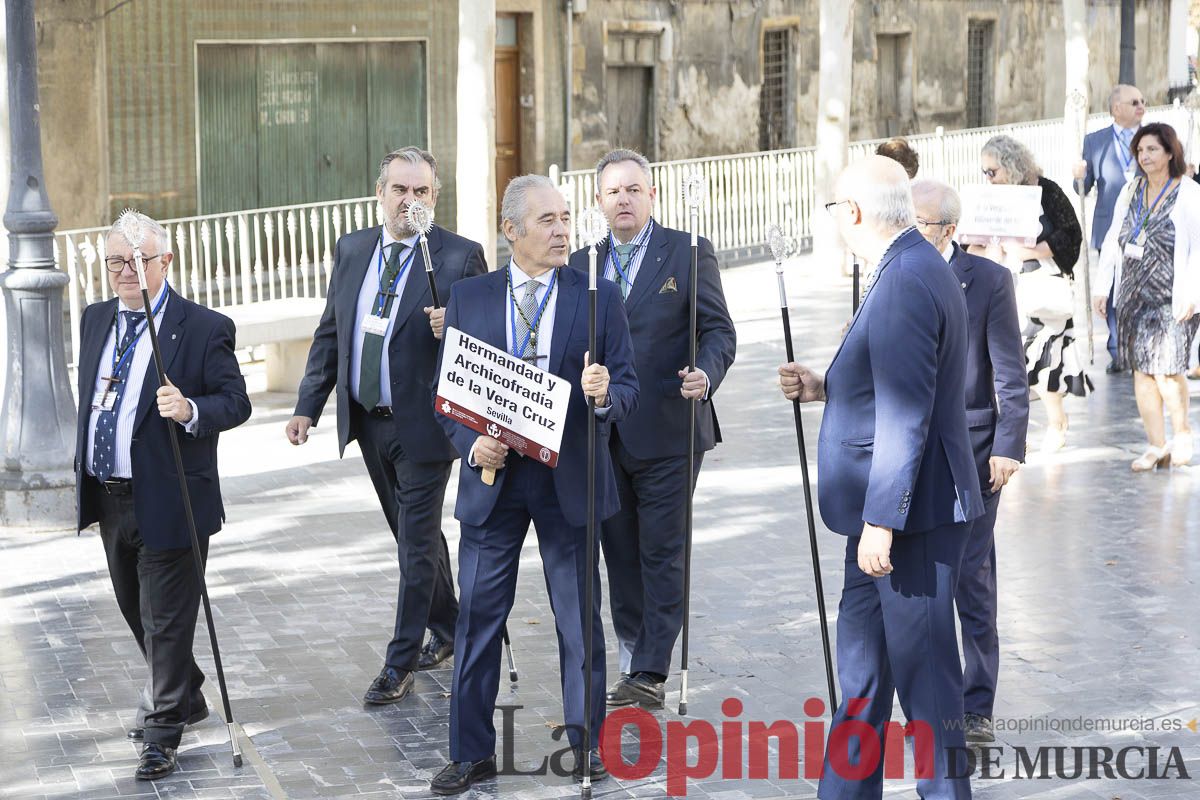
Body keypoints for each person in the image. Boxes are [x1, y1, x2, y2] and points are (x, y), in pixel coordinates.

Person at [778, 157, 983, 800]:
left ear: (856, 213)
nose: (837, 221)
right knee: (863, 680)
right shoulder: (909, 266)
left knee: (927, 691)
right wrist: (825, 385)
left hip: (906, 521)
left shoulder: (903, 279)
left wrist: (879, 523)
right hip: (887, 516)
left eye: (838, 209)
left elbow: (906, 414)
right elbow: (889, 383)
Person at [429, 175, 639, 795]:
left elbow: (627, 387)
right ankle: (470, 753)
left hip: (566, 478)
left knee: (579, 620)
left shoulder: (596, 296)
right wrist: (471, 444)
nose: (562, 231)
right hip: (495, 478)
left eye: (566, 219)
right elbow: (446, 398)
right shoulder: (470, 298)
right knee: (478, 621)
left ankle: (587, 743)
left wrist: (604, 398)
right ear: (511, 231)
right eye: (547, 220)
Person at [287, 148, 487, 704]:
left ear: (434, 198)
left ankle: (400, 661)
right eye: (400, 190)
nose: (409, 201)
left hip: (426, 425)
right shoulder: (352, 250)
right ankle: (449, 625)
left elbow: (490, 340)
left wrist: (459, 325)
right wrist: (308, 405)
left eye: (421, 192)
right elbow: (333, 331)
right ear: (380, 194)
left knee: (415, 542)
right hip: (369, 423)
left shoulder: (458, 257)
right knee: (411, 538)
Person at [74, 212, 251, 779]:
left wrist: (193, 409)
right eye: (116, 262)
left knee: (166, 620)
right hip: (111, 497)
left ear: (165, 262)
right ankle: (188, 692)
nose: (126, 272)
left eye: (138, 261)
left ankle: (164, 729)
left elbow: (236, 400)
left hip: (173, 496)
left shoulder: (202, 326)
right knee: (136, 610)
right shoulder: (95, 318)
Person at [566, 149, 736, 709]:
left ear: (652, 196)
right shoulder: (582, 264)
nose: (623, 199)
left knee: (663, 549)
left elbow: (718, 331)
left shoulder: (687, 253)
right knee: (618, 549)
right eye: (613, 191)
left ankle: (651, 669)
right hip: (604, 431)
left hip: (668, 427)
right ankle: (632, 648)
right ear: (598, 201)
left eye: (633, 189)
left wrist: (705, 375)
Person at [913, 180, 1030, 745]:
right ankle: (932, 704)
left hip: (976, 453)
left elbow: (1010, 373)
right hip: (907, 456)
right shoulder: (887, 274)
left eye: (923, 224)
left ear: (950, 229)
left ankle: (976, 706)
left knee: (971, 578)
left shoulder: (989, 281)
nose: (911, 233)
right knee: (920, 585)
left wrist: (1009, 444)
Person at [1094, 123, 1200, 470]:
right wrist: (1102, 287)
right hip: (1133, 295)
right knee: (1142, 373)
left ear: (1170, 152)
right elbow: (1113, 238)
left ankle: (1182, 435)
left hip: (1174, 296)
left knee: (1168, 373)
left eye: (1152, 149)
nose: (1145, 156)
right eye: (1140, 151)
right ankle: (1157, 445)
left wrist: (1193, 294)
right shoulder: (1132, 189)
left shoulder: (1187, 192)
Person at [976, 134, 1090, 452]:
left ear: (1011, 166)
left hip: (1042, 287)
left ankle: (1057, 424)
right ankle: (1015, 436)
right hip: (1006, 288)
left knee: (1044, 361)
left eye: (992, 171)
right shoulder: (991, 198)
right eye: (984, 172)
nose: (988, 178)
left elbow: (1071, 233)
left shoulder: (1046, 190)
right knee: (1008, 365)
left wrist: (1033, 251)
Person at [1074, 84, 1145, 373]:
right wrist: (1078, 175)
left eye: (1143, 101)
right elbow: (1084, 187)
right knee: (1112, 288)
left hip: (1145, 224)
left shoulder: (1150, 139)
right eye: (1135, 102)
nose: (1142, 106)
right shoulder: (1095, 142)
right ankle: (1118, 349)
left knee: (1140, 289)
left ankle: (1140, 345)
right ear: (1117, 108)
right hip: (1109, 227)